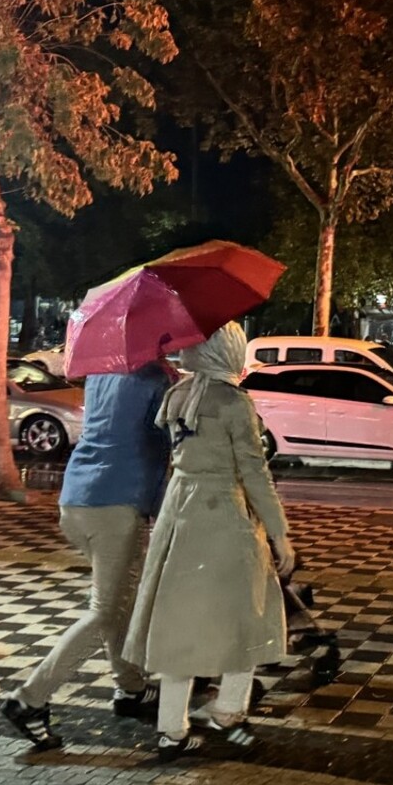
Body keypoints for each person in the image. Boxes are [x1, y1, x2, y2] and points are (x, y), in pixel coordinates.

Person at [123, 323, 295, 761]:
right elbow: (254, 472)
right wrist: (279, 532)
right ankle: (229, 708)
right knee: (247, 613)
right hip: (224, 515)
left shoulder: (178, 395)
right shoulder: (235, 403)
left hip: (179, 512)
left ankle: (171, 729)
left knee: (179, 621)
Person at [1, 359, 174, 750]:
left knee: (114, 602)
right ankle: (29, 699)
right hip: (117, 504)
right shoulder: (154, 380)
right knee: (105, 611)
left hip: (76, 497)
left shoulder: (101, 372)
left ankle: (130, 689)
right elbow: (166, 444)